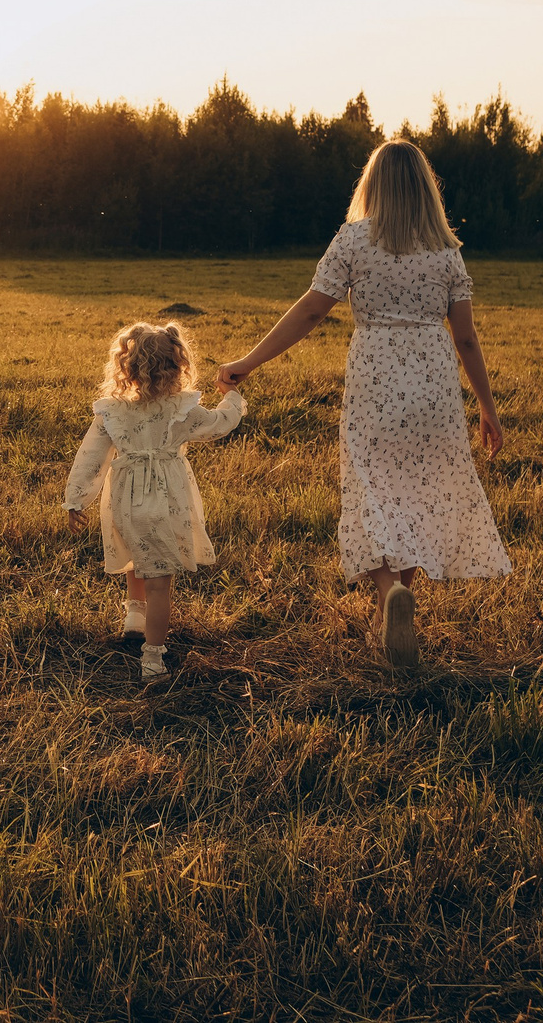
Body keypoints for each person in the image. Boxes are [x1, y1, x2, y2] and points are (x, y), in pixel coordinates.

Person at [217, 140, 510, 666]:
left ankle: (386, 595)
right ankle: (394, 608)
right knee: (420, 492)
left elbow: (310, 311)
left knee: (372, 488)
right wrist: (487, 408)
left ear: (371, 185)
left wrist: (249, 361)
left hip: (376, 380)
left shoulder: (354, 240)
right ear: (425, 187)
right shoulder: (447, 250)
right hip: (434, 386)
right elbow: (466, 338)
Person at [64, 321, 246, 680]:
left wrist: (76, 500)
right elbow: (220, 423)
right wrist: (232, 395)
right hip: (167, 497)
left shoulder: (113, 411)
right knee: (160, 580)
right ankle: (152, 659)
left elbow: (90, 458)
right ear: (178, 365)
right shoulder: (182, 408)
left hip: (125, 496)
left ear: (125, 368)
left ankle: (135, 616)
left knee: (137, 551)